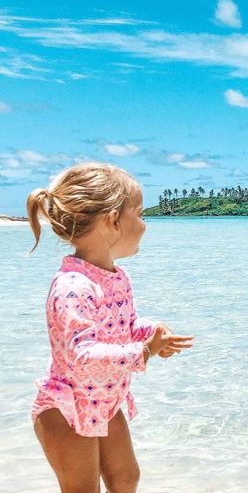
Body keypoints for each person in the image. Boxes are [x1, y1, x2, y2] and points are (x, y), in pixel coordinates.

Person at [27, 163, 194, 493]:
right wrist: (143, 352)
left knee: (126, 477)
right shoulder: (72, 286)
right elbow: (81, 354)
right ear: (113, 220)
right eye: (140, 214)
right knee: (82, 488)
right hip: (67, 407)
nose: (145, 225)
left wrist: (150, 331)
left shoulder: (118, 278)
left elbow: (123, 327)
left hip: (104, 400)